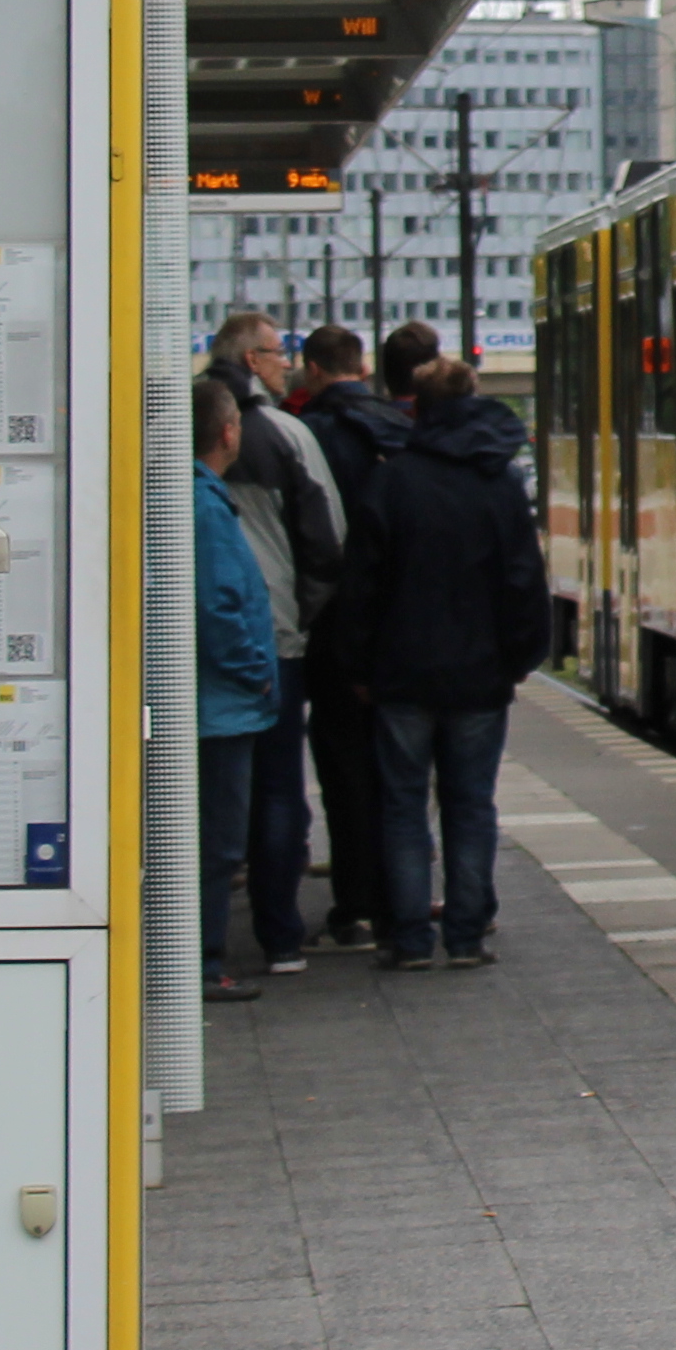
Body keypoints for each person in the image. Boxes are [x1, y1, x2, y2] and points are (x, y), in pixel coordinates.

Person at [338, 353, 546, 967]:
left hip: (401, 674)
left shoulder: (391, 481)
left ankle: (407, 938)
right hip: (480, 675)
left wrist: (357, 666)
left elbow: (362, 586)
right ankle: (465, 934)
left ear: (417, 409)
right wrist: (521, 655)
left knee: (403, 806)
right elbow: (523, 580)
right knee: (471, 802)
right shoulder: (499, 484)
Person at [206, 311, 340, 972]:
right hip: (274, 641)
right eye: (278, 352)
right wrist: (300, 618)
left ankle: (195, 936)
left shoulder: (168, 431)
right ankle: (280, 935)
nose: (287, 362)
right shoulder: (287, 434)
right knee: (279, 790)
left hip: (186, 647)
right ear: (253, 362)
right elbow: (327, 539)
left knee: (202, 791)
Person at [293, 322, 403, 947]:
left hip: (332, 628)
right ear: (361, 368)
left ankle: (354, 904)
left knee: (343, 770)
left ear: (313, 370)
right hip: (398, 631)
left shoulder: (305, 436)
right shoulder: (400, 433)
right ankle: (402, 900)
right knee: (402, 772)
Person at [190, 375, 286, 1005]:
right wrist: (254, 668)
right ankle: (203, 959)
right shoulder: (204, 504)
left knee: (216, 839)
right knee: (218, 842)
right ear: (228, 431)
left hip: (216, 700)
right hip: (221, 706)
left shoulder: (201, 497)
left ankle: (201, 956)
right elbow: (218, 605)